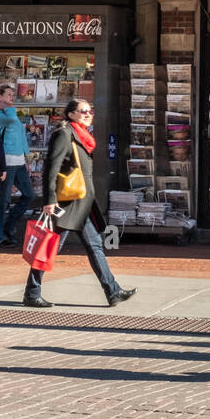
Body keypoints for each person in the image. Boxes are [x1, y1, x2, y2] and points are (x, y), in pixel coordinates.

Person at [22, 99, 135, 308]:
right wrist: (49, 200)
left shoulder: (81, 135)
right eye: (83, 111)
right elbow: (51, 169)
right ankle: (32, 292)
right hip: (65, 204)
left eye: (90, 111)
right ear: (71, 114)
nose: (88, 114)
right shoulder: (64, 134)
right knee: (49, 246)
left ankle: (113, 290)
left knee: (95, 246)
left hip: (81, 203)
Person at [0, 82, 34, 247]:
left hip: (18, 161)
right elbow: (9, 120)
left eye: (12, 94)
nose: (12, 96)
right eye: (8, 94)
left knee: (29, 194)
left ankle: (8, 228)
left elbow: (22, 136)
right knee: (4, 199)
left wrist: (26, 158)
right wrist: (10, 107)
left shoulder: (13, 113)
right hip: (7, 162)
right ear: (0, 97)